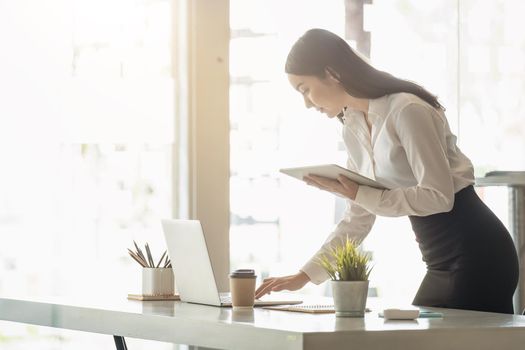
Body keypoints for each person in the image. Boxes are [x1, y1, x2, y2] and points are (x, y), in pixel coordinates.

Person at [254, 28, 519, 314]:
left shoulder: (407, 110)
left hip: (479, 254)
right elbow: (358, 218)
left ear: (331, 73)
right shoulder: (353, 126)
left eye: (305, 89)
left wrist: (361, 193)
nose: (306, 103)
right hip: (440, 261)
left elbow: (439, 197)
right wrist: (304, 276)